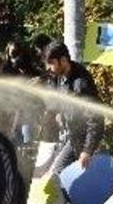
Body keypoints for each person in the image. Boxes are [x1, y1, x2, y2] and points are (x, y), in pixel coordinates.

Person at [43, 42, 104, 172]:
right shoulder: (59, 77)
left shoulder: (81, 84)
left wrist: (87, 150)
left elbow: (96, 118)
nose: (48, 67)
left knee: (59, 171)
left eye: (51, 63)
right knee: (60, 173)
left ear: (63, 60)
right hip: (69, 136)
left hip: (81, 139)